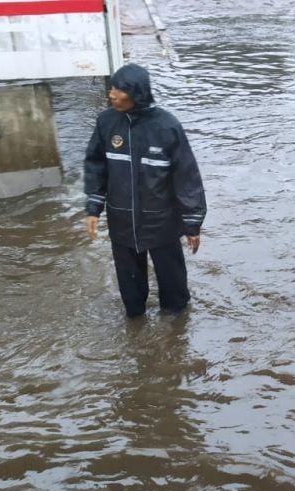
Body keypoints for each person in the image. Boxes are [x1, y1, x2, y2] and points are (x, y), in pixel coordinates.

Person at [83, 63, 207, 317]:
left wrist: (192, 223)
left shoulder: (167, 126)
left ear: (137, 93)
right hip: (121, 218)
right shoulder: (106, 122)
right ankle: (136, 323)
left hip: (161, 220)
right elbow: (96, 164)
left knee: (173, 289)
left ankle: (176, 328)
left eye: (119, 90)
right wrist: (94, 207)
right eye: (112, 89)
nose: (112, 95)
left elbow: (186, 176)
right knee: (130, 289)